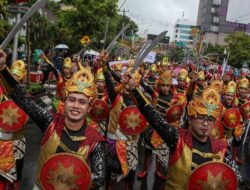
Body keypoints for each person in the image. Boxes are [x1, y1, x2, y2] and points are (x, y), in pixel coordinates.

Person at [0, 49, 106, 189]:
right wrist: (2, 68)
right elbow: (22, 99)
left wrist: (71, 179)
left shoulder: (94, 140)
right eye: (72, 100)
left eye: (82, 102)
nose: (76, 106)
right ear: (64, 101)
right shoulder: (50, 122)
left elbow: (99, 176)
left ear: (89, 107)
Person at [124, 74, 242, 189]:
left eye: (210, 120)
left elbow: (236, 178)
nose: (205, 124)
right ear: (190, 118)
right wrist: (134, 90)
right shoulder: (177, 138)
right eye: (200, 117)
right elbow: (155, 118)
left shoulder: (221, 148)